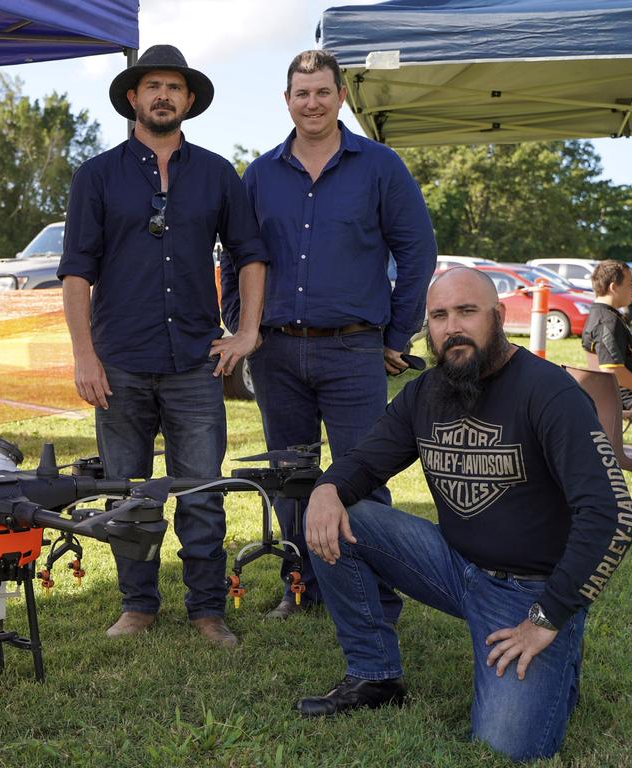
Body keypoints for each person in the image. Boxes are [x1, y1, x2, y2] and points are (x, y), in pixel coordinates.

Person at [296, 267, 632, 761]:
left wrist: (548, 616)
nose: (452, 326)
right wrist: (326, 488)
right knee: (341, 516)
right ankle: (374, 676)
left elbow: (613, 515)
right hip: (455, 566)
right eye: (439, 316)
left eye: (467, 312)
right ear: (427, 328)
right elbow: (365, 462)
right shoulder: (425, 393)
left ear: (497, 317)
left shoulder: (550, 393)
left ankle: (560, 646)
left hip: (529, 592)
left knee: (506, 747)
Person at [57, 45, 268, 647]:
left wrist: (247, 333)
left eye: (174, 87)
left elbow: (250, 255)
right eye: (152, 86)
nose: (163, 96)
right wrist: (83, 355)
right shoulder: (96, 176)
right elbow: (76, 274)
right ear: (133, 98)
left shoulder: (218, 174)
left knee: (200, 490)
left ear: (189, 100)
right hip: (119, 362)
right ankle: (138, 605)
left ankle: (207, 610)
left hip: (195, 365)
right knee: (130, 493)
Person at [220, 49, 436, 619]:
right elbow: (238, 253)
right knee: (291, 477)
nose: (311, 103)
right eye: (301, 93)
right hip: (277, 351)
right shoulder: (261, 174)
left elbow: (418, 250)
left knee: (362, 474)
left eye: (322, 92)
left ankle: (377, 595)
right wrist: (238, 322)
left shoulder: (380, 166)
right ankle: (303, 588)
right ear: (286, 101)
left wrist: (398, 333)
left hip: (353, 348)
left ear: (341, 96)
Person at [581, 259, 632, 407]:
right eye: (629, 283)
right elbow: (612, 371)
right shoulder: (607, 322)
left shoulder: (605, 315)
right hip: (629, 396)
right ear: (614, 287)